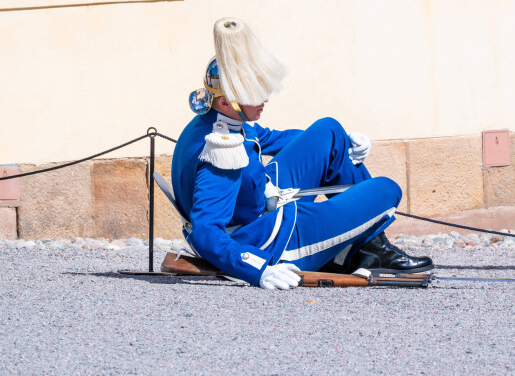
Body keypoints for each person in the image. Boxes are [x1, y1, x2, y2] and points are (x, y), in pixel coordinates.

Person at [171, 17, 433, 290]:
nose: (265, 99)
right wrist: (255, 269)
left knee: (329, 131)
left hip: (259, 200)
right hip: (264, 237)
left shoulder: (221, 120)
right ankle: (368, 249)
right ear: (226, 102)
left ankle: (369, 247)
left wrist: (344, 142)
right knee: (386, 190)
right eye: (255, 94)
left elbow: (272, 137)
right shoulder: (220, 149)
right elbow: (206, 231)